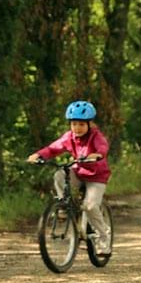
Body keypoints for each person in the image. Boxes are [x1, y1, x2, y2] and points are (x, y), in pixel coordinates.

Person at [26, 100, 112, 254]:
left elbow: (103, 147)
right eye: (74, 124)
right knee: (60, 174)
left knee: (90, 206)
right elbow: (53, 149)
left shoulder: (96, 136)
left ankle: (103, 239)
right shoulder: (69, 137)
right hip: (78, 172)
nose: (77, 128)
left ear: (89, 124)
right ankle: (65, 206)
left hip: (96, 177)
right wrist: (38, 155)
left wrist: (97, 154)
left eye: (81, 124)